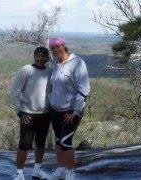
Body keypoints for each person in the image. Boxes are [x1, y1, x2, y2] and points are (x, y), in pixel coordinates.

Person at [47, 37, 90, 180]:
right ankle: (60, 170)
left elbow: (83, 89)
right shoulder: (56, 63)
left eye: (57, 46)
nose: (55, 50)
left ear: (64, 45)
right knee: (59, 141)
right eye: (52, 48)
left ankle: (70, 172)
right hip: (55, 110)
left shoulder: (77, 63)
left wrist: (76, 111)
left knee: (66, 142)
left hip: (70, 111)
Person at [10, 46, 52, 180]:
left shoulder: (50, 71)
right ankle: (20, 173)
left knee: (40, 144)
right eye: (37, 56)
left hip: (45, 114)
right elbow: (15, 91)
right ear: (34, 56)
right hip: (28, 114)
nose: (40, 58)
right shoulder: (26, 70)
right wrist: (19, 112)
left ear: (47, 57)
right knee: (24, 145)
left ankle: (37, 170)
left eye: (43, 56)